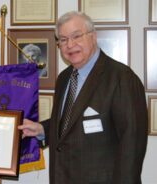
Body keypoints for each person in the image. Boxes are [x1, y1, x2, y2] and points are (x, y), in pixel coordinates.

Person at [19, 11, 148, 183]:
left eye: (76, 36)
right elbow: (69, 124)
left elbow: (132, 147)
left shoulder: (121, 78)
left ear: (93, 37)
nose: (70, 45)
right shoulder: (64, 78)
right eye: (63, 40)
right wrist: (42, 130)